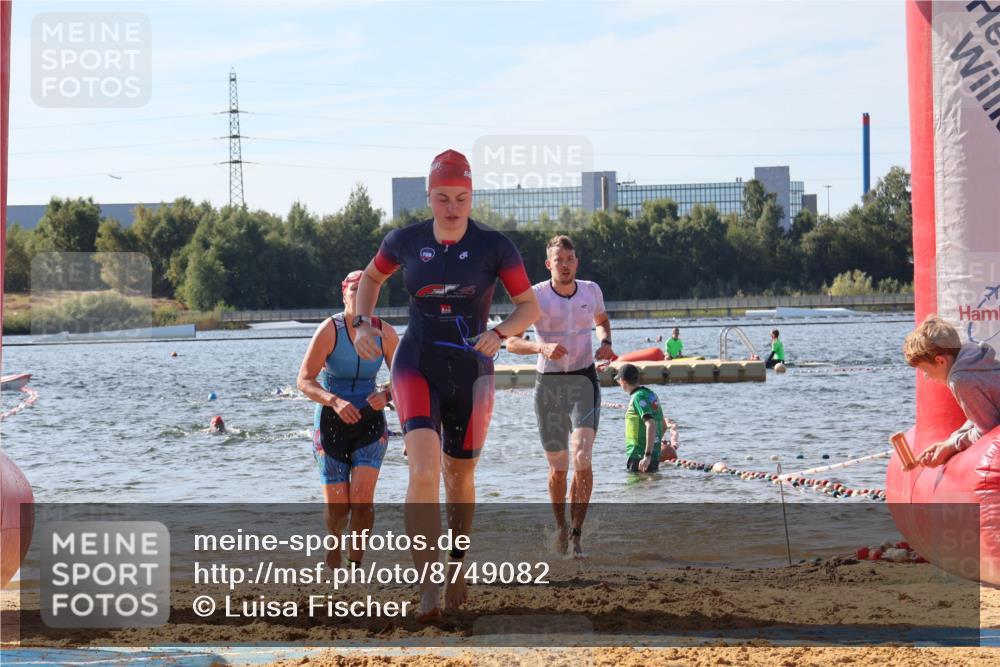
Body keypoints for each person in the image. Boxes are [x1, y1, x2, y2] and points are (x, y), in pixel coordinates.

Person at [351, 149, 540, 620]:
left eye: (461, 197)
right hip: (417, 364)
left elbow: (529, 308)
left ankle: (456, 565)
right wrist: (361, 324)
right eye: (442, 198)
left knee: (460, 476)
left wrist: (500, 333)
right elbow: (371, 278)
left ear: (471, 196)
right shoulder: (406, 240)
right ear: (429, 197)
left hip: (473, 370)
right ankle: (427, 587)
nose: (452, 207)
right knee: (422, 471)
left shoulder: (496, 247)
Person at [506, 235, 615, 558]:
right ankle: (561, 527)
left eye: (569, 260)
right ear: (548, 264)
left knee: (582, 456)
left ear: (576, 262)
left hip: (584, 378)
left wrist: (606, 340)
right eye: (559, 261)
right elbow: (511, 342)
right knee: (558, 466)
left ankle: (578, 535)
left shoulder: (591, 290)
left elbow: (601, 320)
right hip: (550, 384)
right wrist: (541, 347)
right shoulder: (535, 297)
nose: (565, 266)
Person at [297, 270, 400, 570]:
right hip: (332, 419)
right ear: (344, 294)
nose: (360, 294)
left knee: (364, 501)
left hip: (370, 419)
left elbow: (406, 379)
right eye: (354, 289)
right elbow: (304, 380)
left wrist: (388, 395)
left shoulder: (385, 333)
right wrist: (334, 401)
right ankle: (334, 538)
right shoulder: (330, 329)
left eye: (367, 289)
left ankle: (355, 564)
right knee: (339, 507)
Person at [903, 315, 1000, 468]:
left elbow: (987, 430)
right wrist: (948, 441)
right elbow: (981, 415)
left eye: (924, 370)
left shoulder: (960, 379)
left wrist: (951, 447)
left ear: (940, 361)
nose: (926, 376)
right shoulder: (970, 357)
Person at [615, 363, 673, 473]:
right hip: (653, 455)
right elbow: (663, 426)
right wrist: (653, 448)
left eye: (618, 381)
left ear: (623, 381)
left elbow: (650, 423)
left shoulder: (637, 397)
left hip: (639, 455)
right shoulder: (651, 394)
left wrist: (647, 455)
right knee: (650, 487)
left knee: (635, 488)